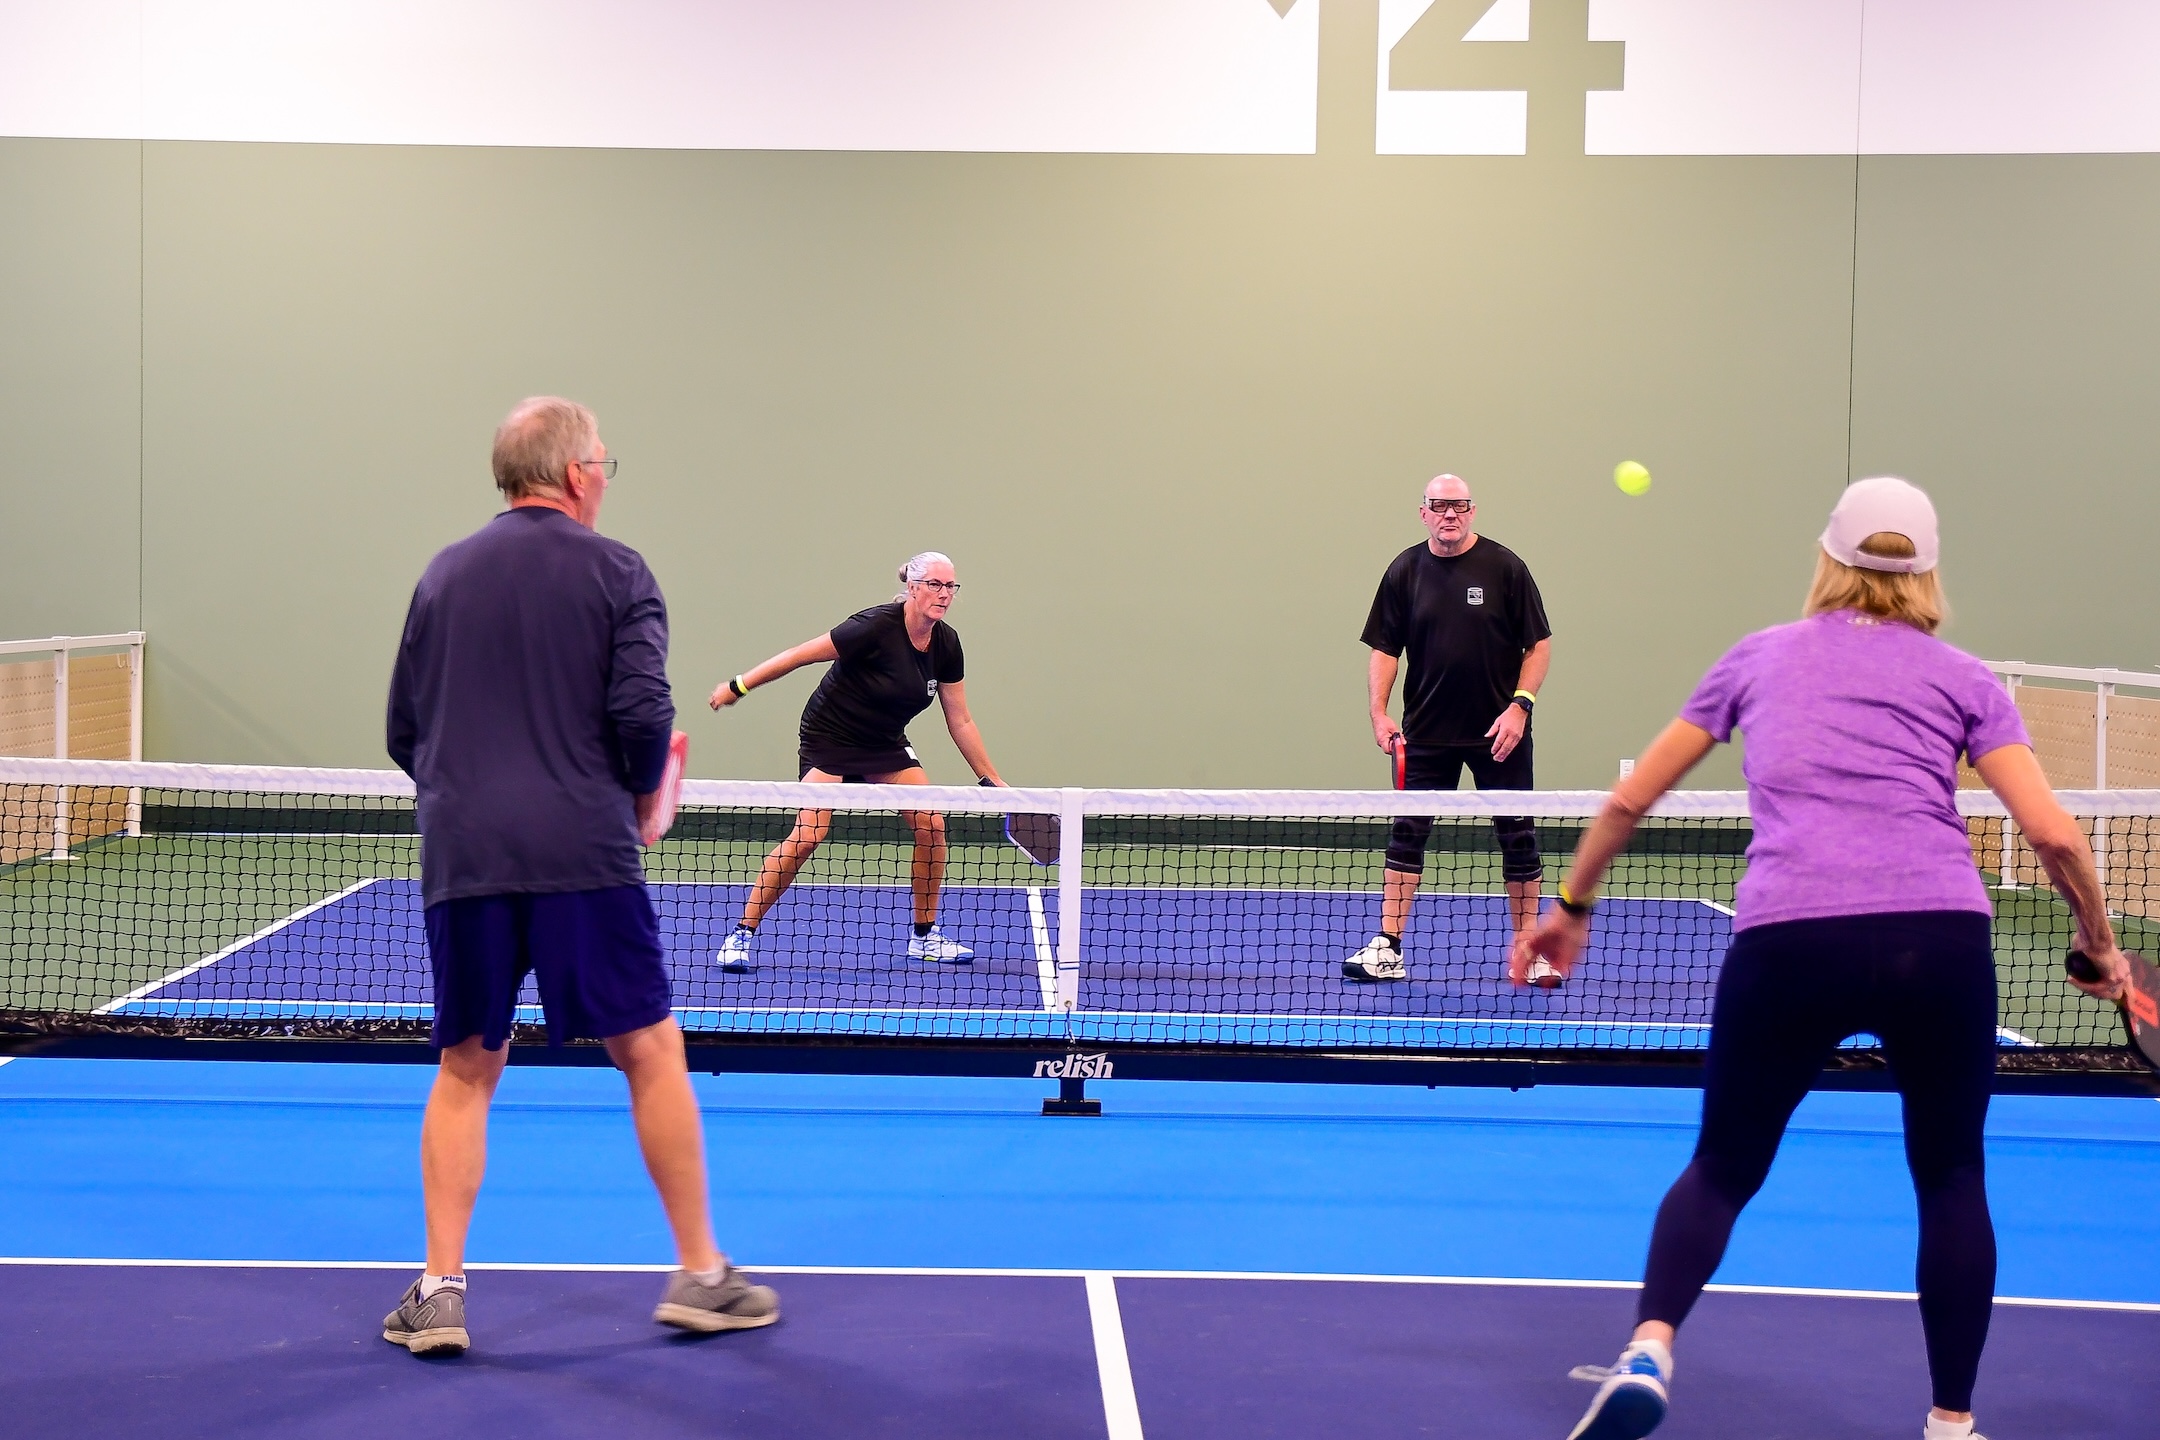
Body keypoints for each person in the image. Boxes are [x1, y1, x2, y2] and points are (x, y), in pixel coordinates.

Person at [1516, 477, 2131, 1440]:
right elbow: (2053, 834)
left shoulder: (1757, 659)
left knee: (1722, 1165)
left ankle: (1651, 1346)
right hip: (1940, 941)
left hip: (1789, 939)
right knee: (1953, 1178)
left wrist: (1571, 907)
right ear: (1928, 576)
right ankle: (1950, 1423)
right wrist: (2100, 945)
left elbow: (1632, 799)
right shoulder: (1965, 678)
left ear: (1829, 561)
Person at [382, 396, 777, 1357]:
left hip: (464, 856)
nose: (606, 475)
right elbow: (644, 713)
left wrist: (471, 798)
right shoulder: (619, 572)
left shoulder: (441, 575)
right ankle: (702, 1276)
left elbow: (404, 730)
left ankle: (438, 1292)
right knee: (649, 1052)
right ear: (572, 474)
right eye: (603, 461)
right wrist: (641, 800)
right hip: (583, 858)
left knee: (467, 1068)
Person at [707, 551, 1005, 969]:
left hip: (884, 743)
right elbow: (799, 654)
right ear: (914, 587)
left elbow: (961, 718)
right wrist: (738, 686)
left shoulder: (946, 644)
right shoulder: (873, 626)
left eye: (950, 586)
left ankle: (924, 936)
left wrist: (990, 778)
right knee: (808, 835)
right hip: (830, 737)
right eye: (935, 585)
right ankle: (741, 934)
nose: (944, 594)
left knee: (931, 824)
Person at [1344, 472, 1554, 983]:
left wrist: (1519, 706)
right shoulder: (1404, 571)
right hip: (1426, 732)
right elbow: (1385, 649)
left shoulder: (1506, 567)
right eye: (1439, 506)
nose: (1449, 515)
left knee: (1519, 839)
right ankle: (1389, 946)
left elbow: (1539, 645)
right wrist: (1378, 712)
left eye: (1459, 505)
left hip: (1499, 734)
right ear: (1424, 514)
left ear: (1472, 511)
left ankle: (1529, 948)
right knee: (1406, 836)